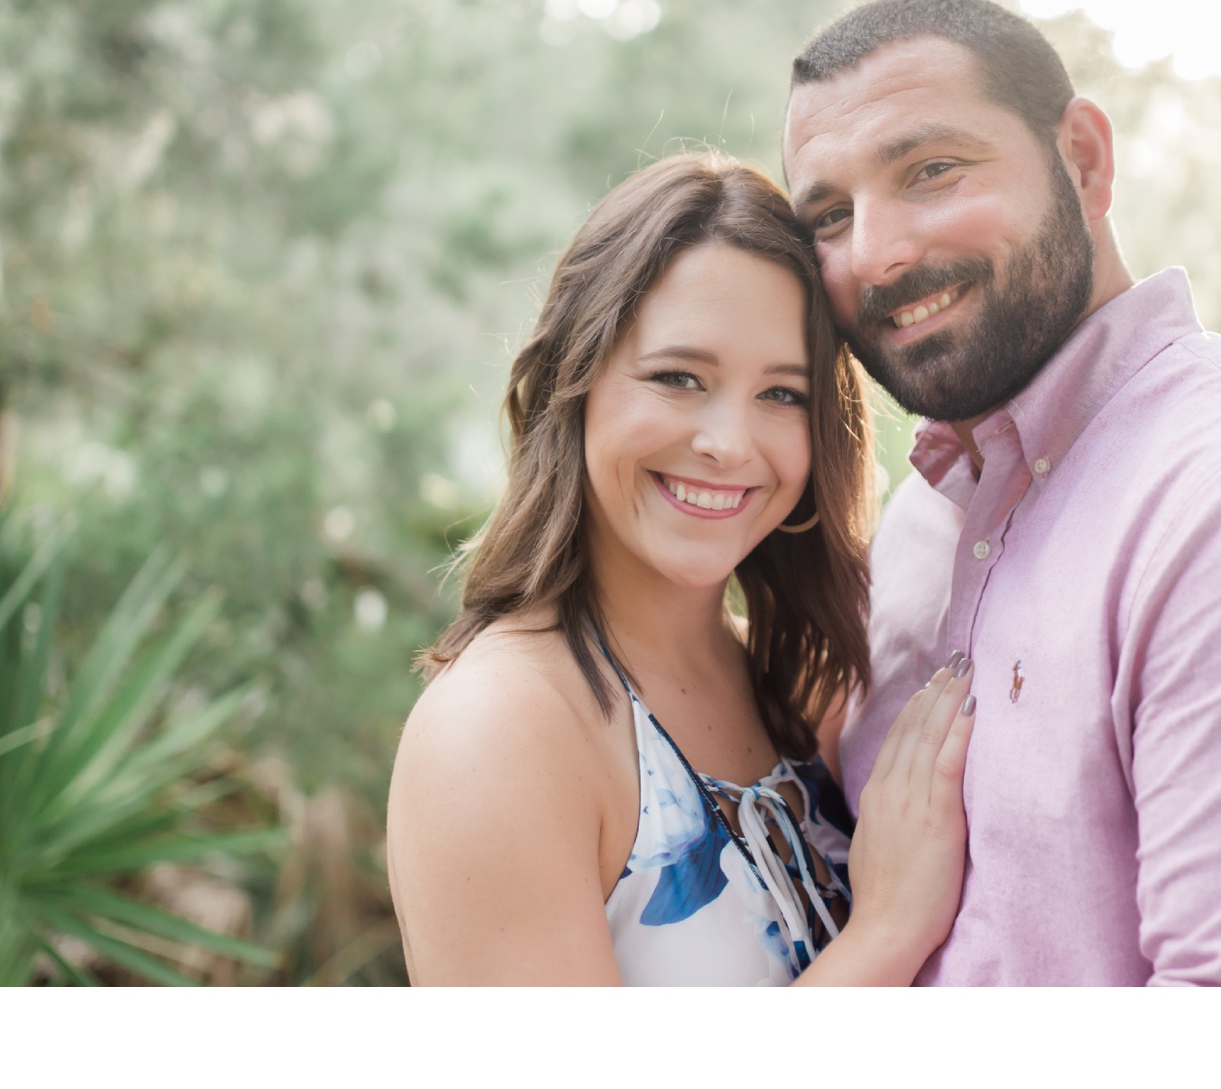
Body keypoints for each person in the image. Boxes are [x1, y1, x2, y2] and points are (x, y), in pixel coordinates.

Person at [780, 0, 1221, 985]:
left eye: (931, 170)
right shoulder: (914, 529)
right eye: (828, 215)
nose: (877, 252)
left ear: (1084, 158)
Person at [386, 153, 974, 985]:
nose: (729, 443)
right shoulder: (499, 730)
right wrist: (885, 929)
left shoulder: (801, 686)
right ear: (574, 380)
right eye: (677, 377)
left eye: (781, 394)